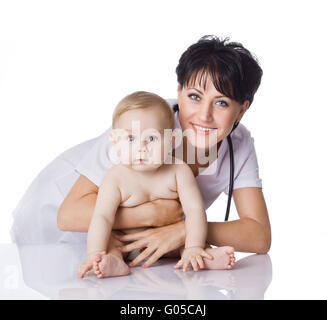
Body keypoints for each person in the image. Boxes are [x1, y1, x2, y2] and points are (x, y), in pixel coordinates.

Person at [11, 35, 271, 268]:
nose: (204, 115)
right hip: (55, 221)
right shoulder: (141, 126)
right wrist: (155, 215)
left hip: (126, 242)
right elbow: (68, 216)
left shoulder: (239, 143)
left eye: (222, 102)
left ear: (242, 109)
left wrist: (185, 231)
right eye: (194, 96)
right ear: (178, 91)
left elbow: (259, 236)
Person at [77, 91, 235, 278]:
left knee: (192, 239)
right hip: (127, 244)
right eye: (130, 138)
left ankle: (201, 256)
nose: (141, 147)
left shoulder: (178, 171)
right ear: (115, 141)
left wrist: (194, 246)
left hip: (170, 242)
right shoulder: (115, 178)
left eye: (151, 139)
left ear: (171, 141)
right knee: (111, 241)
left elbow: (195, 211)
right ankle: (113, 260)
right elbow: (102, 217)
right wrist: (94, 252)